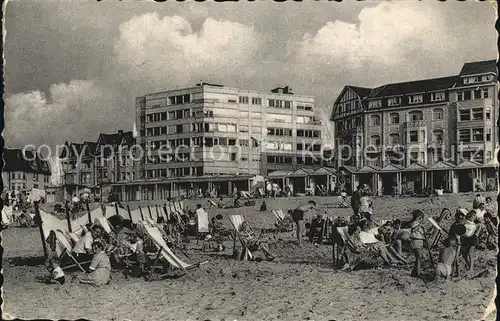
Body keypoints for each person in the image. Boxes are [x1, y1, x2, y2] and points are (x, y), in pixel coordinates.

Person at [409, 210, 425, 278]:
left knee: (418, 258)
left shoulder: (417, 223)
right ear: (419, 217)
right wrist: (419, 225)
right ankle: (418, 273)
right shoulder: (415, 223)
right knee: (419, 257)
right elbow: (413, 230)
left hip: (419, 242)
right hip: (416, 242)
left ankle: (414, 272)